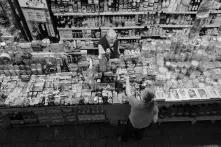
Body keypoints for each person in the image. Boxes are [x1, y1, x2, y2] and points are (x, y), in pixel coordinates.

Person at [119, 75, 159, 142]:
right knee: (140, 131)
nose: (142, 91)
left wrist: (127, 80)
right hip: (145, 123)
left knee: (128, 131)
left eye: (143, 91)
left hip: (134, 122)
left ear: (143, 96)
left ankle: (124, 139)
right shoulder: (153, 104)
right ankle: (138, 137)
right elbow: (155, 116)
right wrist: (152, 84)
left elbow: (128, 92)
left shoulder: (136, 103)